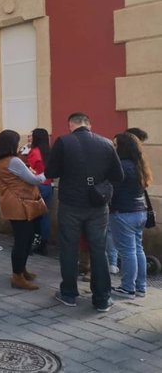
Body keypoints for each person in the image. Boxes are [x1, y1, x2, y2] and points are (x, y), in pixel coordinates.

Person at [46, 112, 124, 312]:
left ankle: (69, 294)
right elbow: (118, 175)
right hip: (98, 205)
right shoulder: (107, 143)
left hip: (71, 203)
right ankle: (102, 298)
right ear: (89, 124)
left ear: (70, 125)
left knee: (69, 248)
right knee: (99, 250)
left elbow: (50, 172)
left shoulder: (63, 142)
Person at [0, 130, 47, 290]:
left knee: (25, 238)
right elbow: (34, 179)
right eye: (17, 141)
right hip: (20, 204)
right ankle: (17, 276)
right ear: (11, 143)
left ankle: (21, 270)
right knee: (23, 240)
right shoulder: (13, 161)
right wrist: (46, 174)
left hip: (13, 203)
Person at [109, 132, 152, 299]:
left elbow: (113, 189)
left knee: (127, 251)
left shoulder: (121, 165)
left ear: (122, 147)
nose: (114, 148)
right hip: (139, 212)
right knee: (137, 249)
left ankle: (128, 288)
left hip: (123, 213)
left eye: (115, 145)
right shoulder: (138, 164)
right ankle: (141, 287)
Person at [27, 128, 53, 256]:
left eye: (31, 136)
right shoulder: (48, 151)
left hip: (37, 186)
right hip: (48, 185)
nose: (28, 138)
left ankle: (33, 242)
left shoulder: (34, 152)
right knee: (45, 216)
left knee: (34, 216)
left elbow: (30, 170)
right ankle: (44, 244)